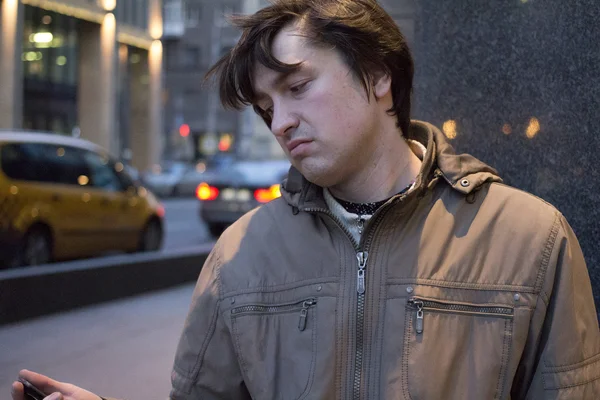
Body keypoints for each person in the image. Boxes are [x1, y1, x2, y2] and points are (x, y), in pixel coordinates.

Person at [12, 0, 600, 399]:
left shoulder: (530, 237)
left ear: (376, 75)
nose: (282, 122)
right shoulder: (242, 252)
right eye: (267, 109)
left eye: (297, 88)